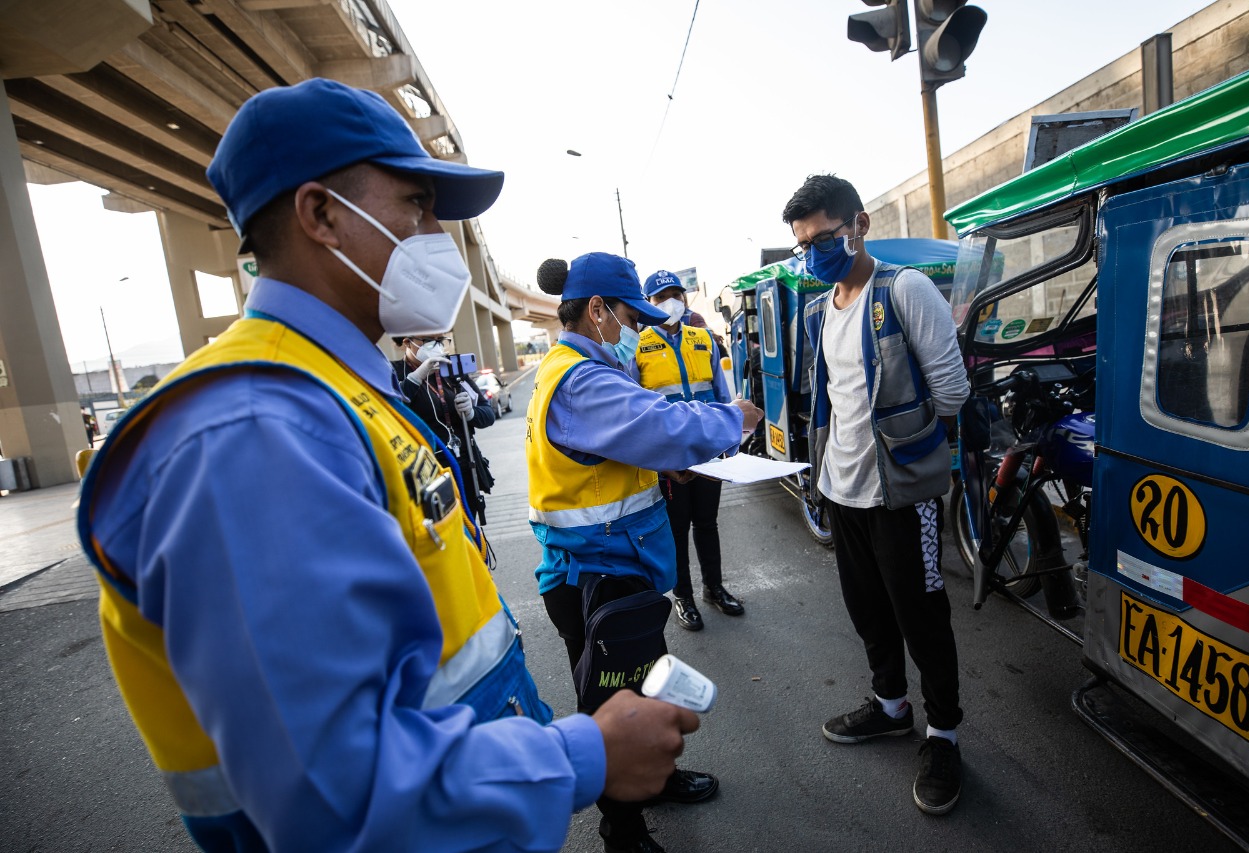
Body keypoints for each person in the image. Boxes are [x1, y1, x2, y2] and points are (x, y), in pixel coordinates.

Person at [76, 78, 699, 853]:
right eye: (417, 204)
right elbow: (330, 795)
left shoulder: (330, 389)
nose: (438, 236)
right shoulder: (254, 431)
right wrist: (586, 754)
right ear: (321, 215)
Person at [528, 253, 763, 853]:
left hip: (615, 568)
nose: (638, 329)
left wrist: (666, 471)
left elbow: (611, 455)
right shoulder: (580, 380)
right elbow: (659, 423)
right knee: (612, 709)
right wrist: (730, 420)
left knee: (643, 687)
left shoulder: (579, 369)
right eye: (632, 317)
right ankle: (625, 833)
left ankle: (654, 780)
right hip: (595, 576)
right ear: (598, 310)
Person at [782, 174, 970, 815]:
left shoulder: (904, 290)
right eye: (803, 245)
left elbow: (952, 392)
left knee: (922, 618)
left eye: (823, 238)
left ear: (859, 224)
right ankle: (891, 707)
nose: (813, 254)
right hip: (842, 492)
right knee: (868, 611)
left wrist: (907, 451)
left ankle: (943, 735)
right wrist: (823, 472)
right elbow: (830, 402)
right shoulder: (818, 311)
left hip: (901, 496)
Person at [629, 269, 744, 632]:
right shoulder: (637, 346)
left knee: (707, 523)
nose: (670, 303)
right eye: (661, 297)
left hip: (707, 451)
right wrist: (654, 460)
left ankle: (714, 588)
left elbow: (722, 395)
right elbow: (635, 410)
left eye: (675, 295)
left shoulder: (703, 338)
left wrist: (731, 444)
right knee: (677, 530)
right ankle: (684, 597)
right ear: (649, 304)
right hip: (670, 459)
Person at [392, 334, 496, 524]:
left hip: (465, 465)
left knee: (470, 525)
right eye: (428, 341)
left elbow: (488, 414)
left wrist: (471, 413)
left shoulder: (452, 370)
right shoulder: (395, 372)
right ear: (407, 342)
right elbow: (392, 406)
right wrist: (416, 377)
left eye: (440, 340)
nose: (436, 346)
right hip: (427, 470)